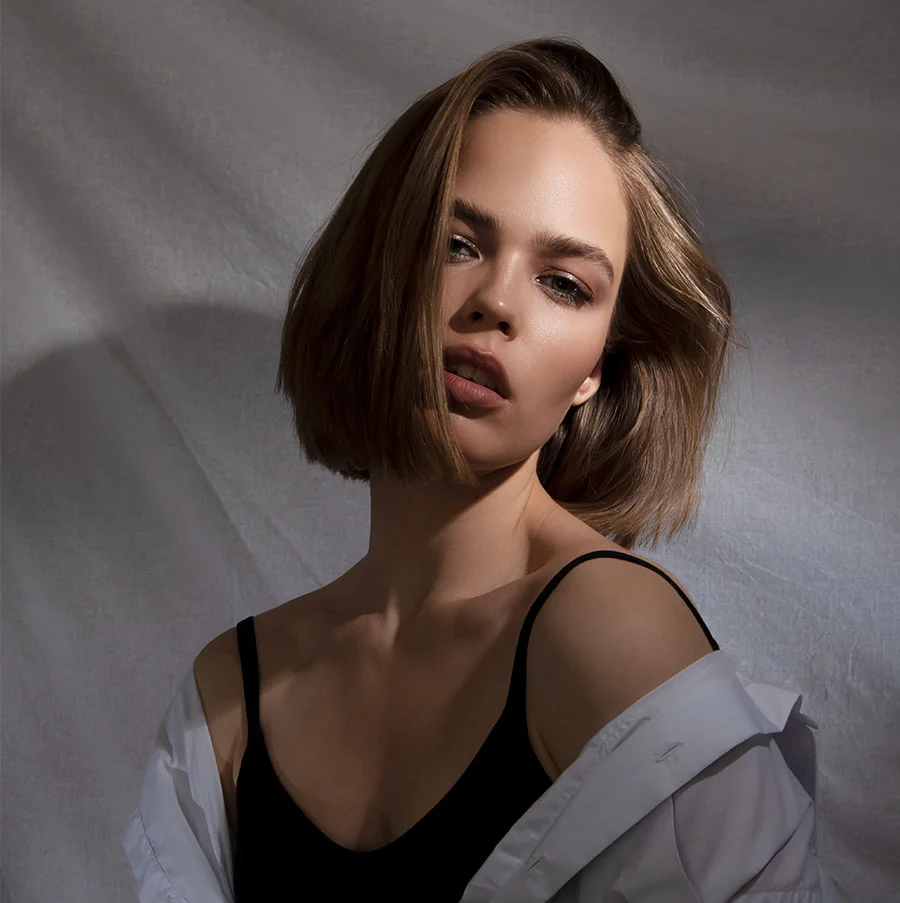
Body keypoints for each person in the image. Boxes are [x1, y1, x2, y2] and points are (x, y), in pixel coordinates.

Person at [123, 37, 842, 902]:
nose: (496, 302)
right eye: (458, 242)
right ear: (379, 269)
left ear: (595, 370)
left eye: (564, 284)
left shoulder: (610, 632)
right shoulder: (225, 698)